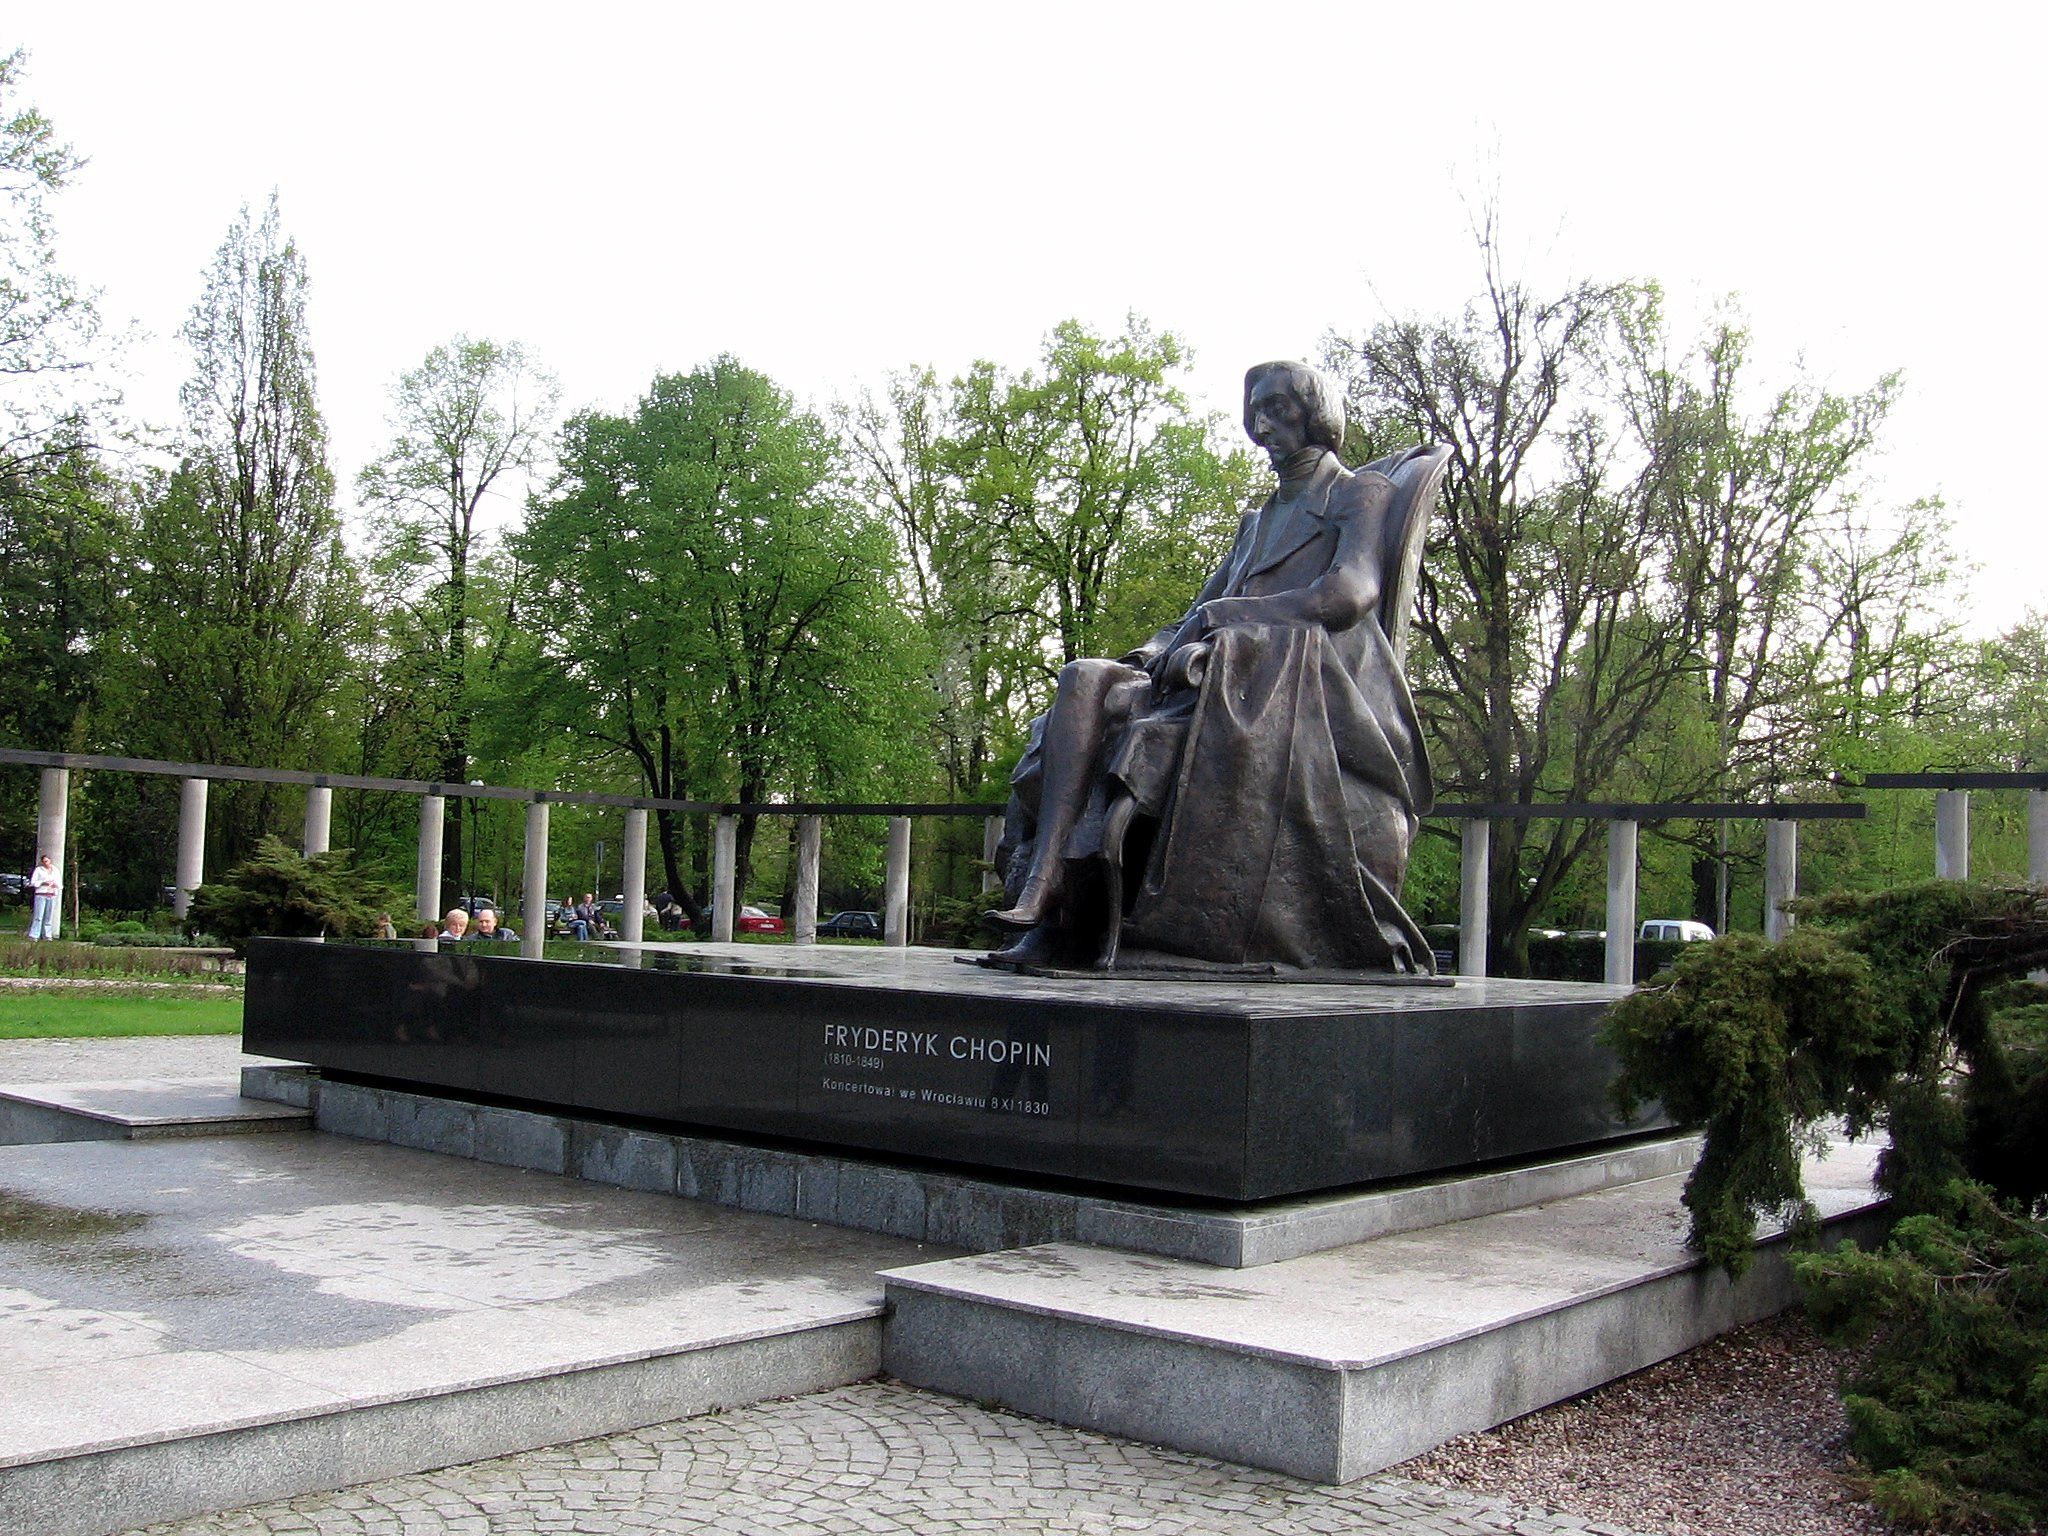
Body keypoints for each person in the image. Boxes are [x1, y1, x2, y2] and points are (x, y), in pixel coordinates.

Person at [989, 360, 1434, 973]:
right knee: (1084, 678)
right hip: (1209, 671)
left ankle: (1066, 904)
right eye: (1256, 410)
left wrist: (1227, 620)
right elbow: (1192, 614)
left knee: (1124, 725)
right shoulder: (1257, 522)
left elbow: (1349, 593)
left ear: (1314, 414)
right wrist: (1147, 657)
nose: (1263, 424)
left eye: (1278, 408)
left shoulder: (1359, 493)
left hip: (1289, 684)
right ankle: (1048, 889)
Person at [26, 853, 60, 941]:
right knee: (38, 916)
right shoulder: (39, 870)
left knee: (49, 916)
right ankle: (34, 935)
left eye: (47, 861)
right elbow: (33, 882)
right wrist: (42, 883)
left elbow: (59, 883)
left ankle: (47, 935)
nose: (46, 863)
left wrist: (56, 885)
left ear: (50, 861)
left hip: (52, 894)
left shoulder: (55, 870)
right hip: (41, 894)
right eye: (44, 861)